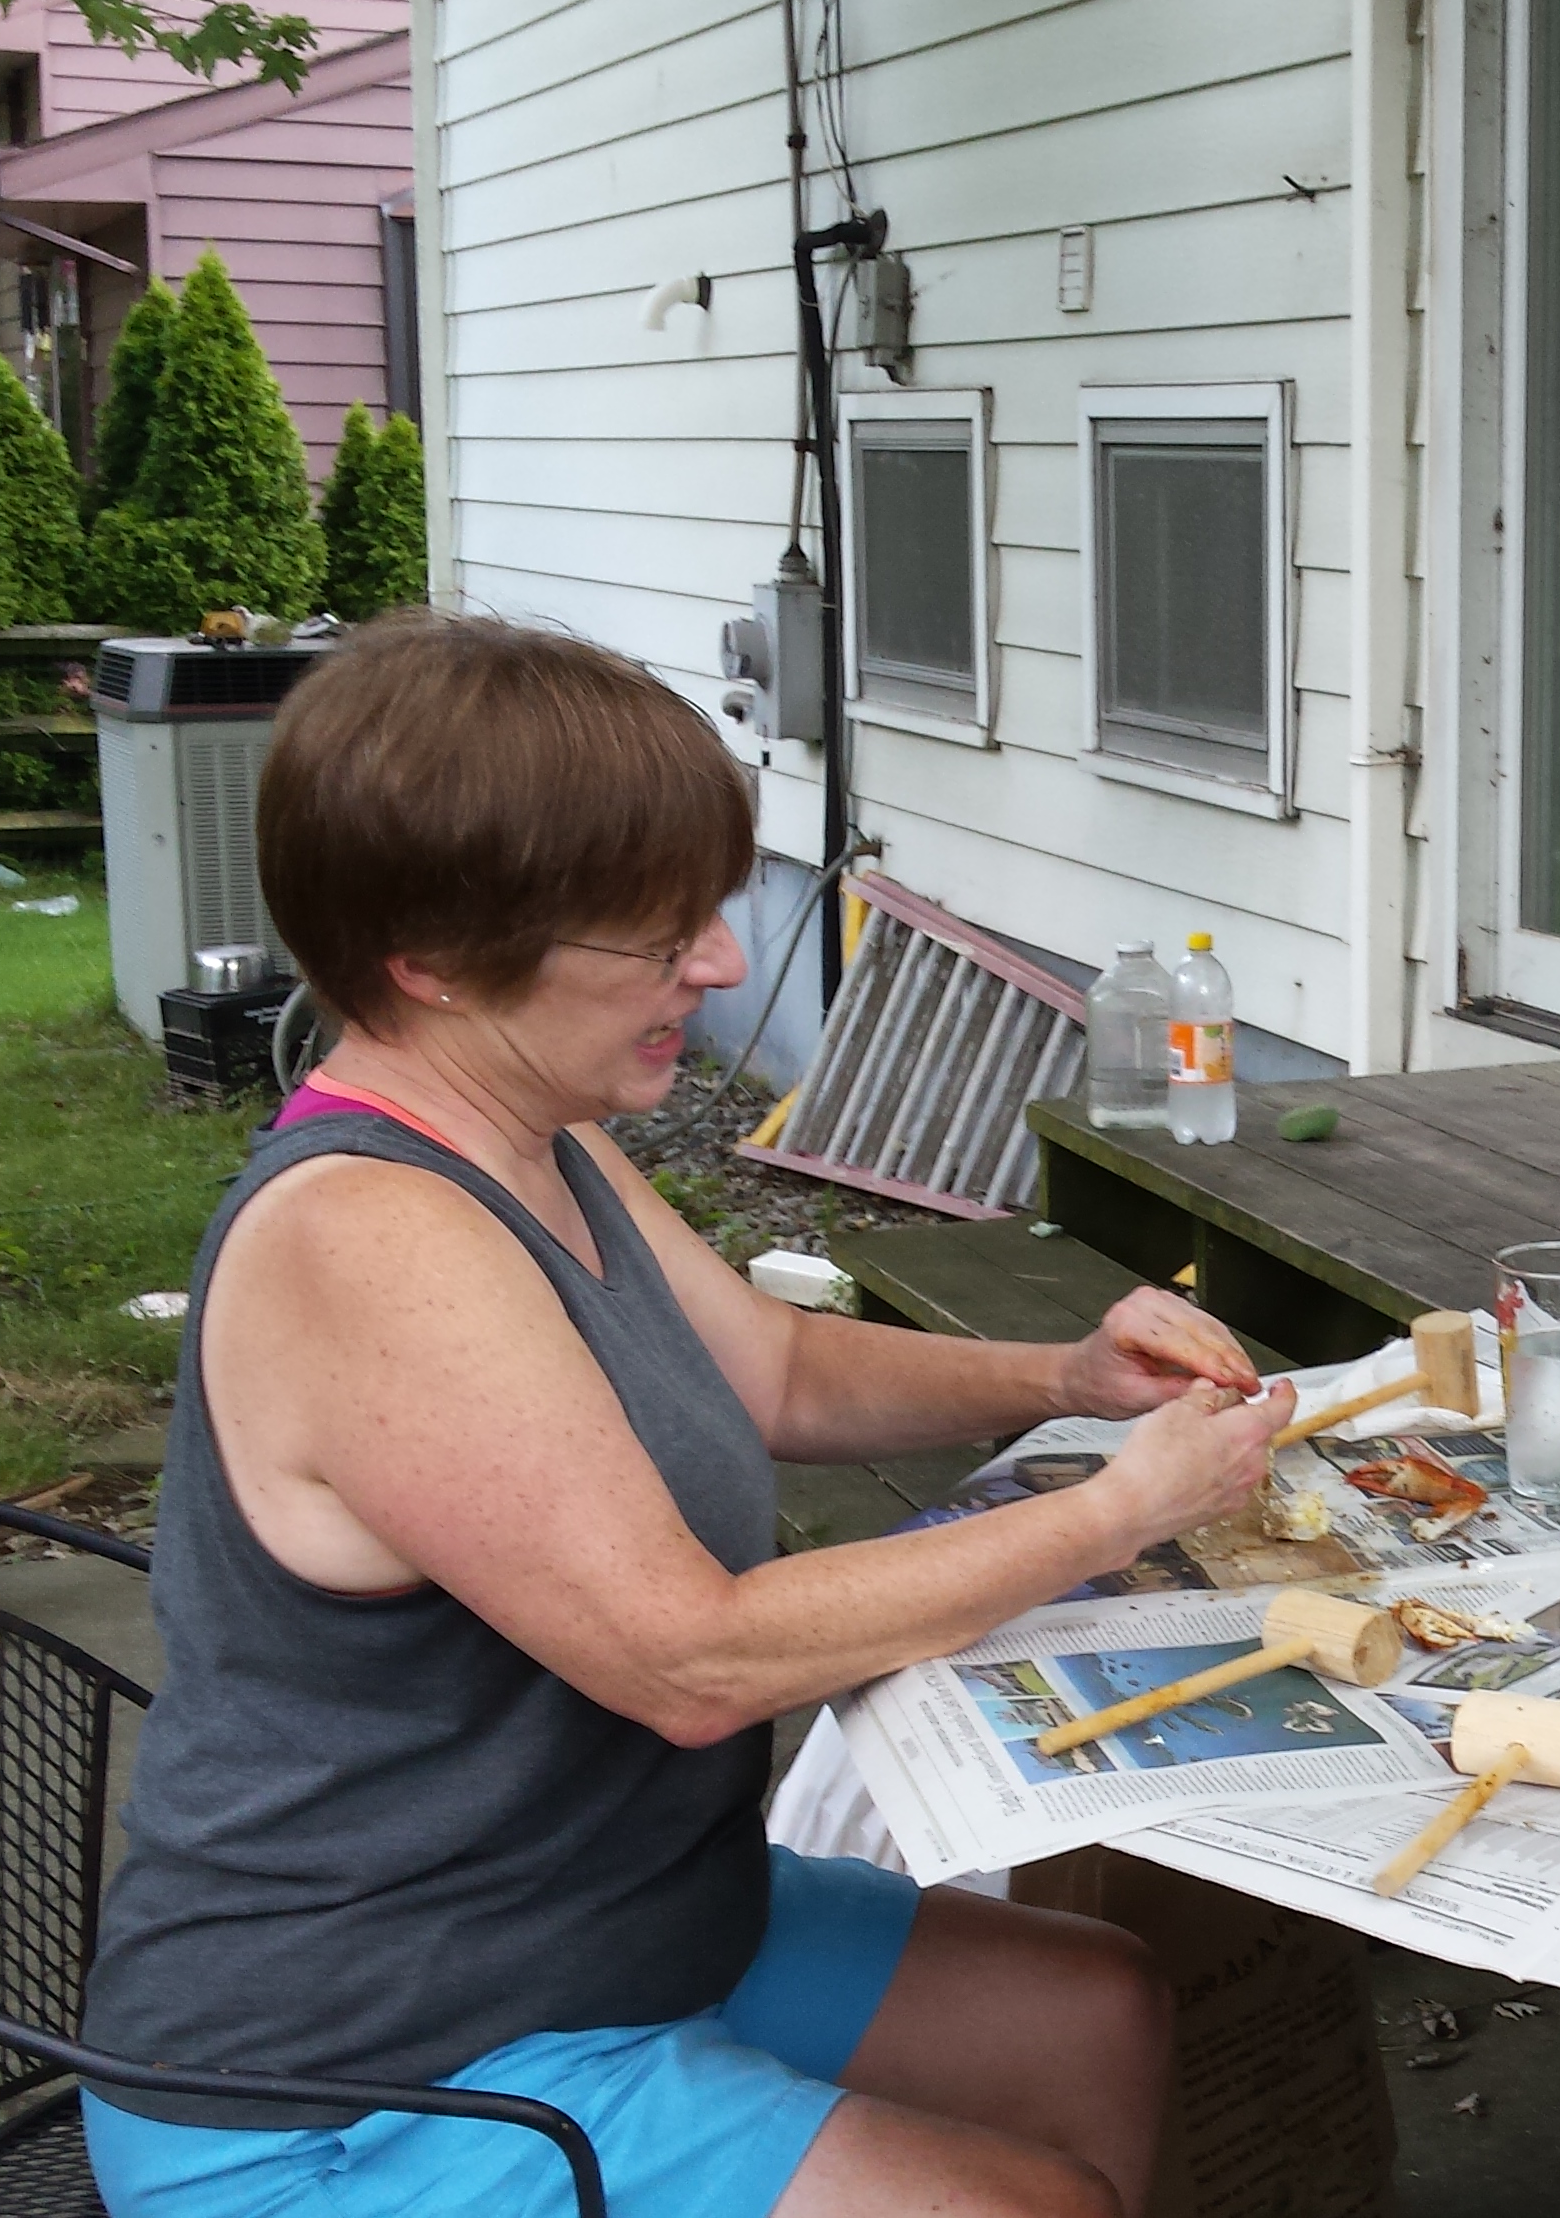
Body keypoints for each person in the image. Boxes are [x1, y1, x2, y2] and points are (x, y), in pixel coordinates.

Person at [81, 616, 1298, 2218]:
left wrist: (1065, 1380)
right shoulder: (366, 1235)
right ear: (432, 959)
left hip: (611, 1925)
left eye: (706, 914)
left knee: (1098, 2009)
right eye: (656, 942)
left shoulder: (538, 1132)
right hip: (364, 2075)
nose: (719, 965)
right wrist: (1114, 1509)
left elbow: (776, 1370)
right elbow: (691, 1661)